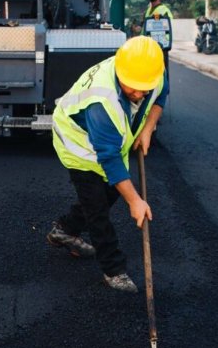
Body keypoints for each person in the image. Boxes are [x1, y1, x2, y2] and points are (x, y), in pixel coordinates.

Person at [47, 36, 168, 293]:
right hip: (79, 145)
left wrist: (148, 127)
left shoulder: (149, 69)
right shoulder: (101, 105)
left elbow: (161, 94)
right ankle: (113, 270)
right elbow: (109, 159)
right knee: (97, 208)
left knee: (110, 192)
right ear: (120, 73)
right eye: (132, 87)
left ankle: (64, 230)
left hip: (112, 145)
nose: (139, 93)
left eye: (143, 87)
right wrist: (135, 201)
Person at [141, 0, 173, 72]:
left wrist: (163, 44)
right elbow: (143, 28)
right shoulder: (147, 11)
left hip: (160, 47)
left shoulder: (164, 10)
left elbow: (168, 30)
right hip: (147, 46)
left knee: (161, 72)